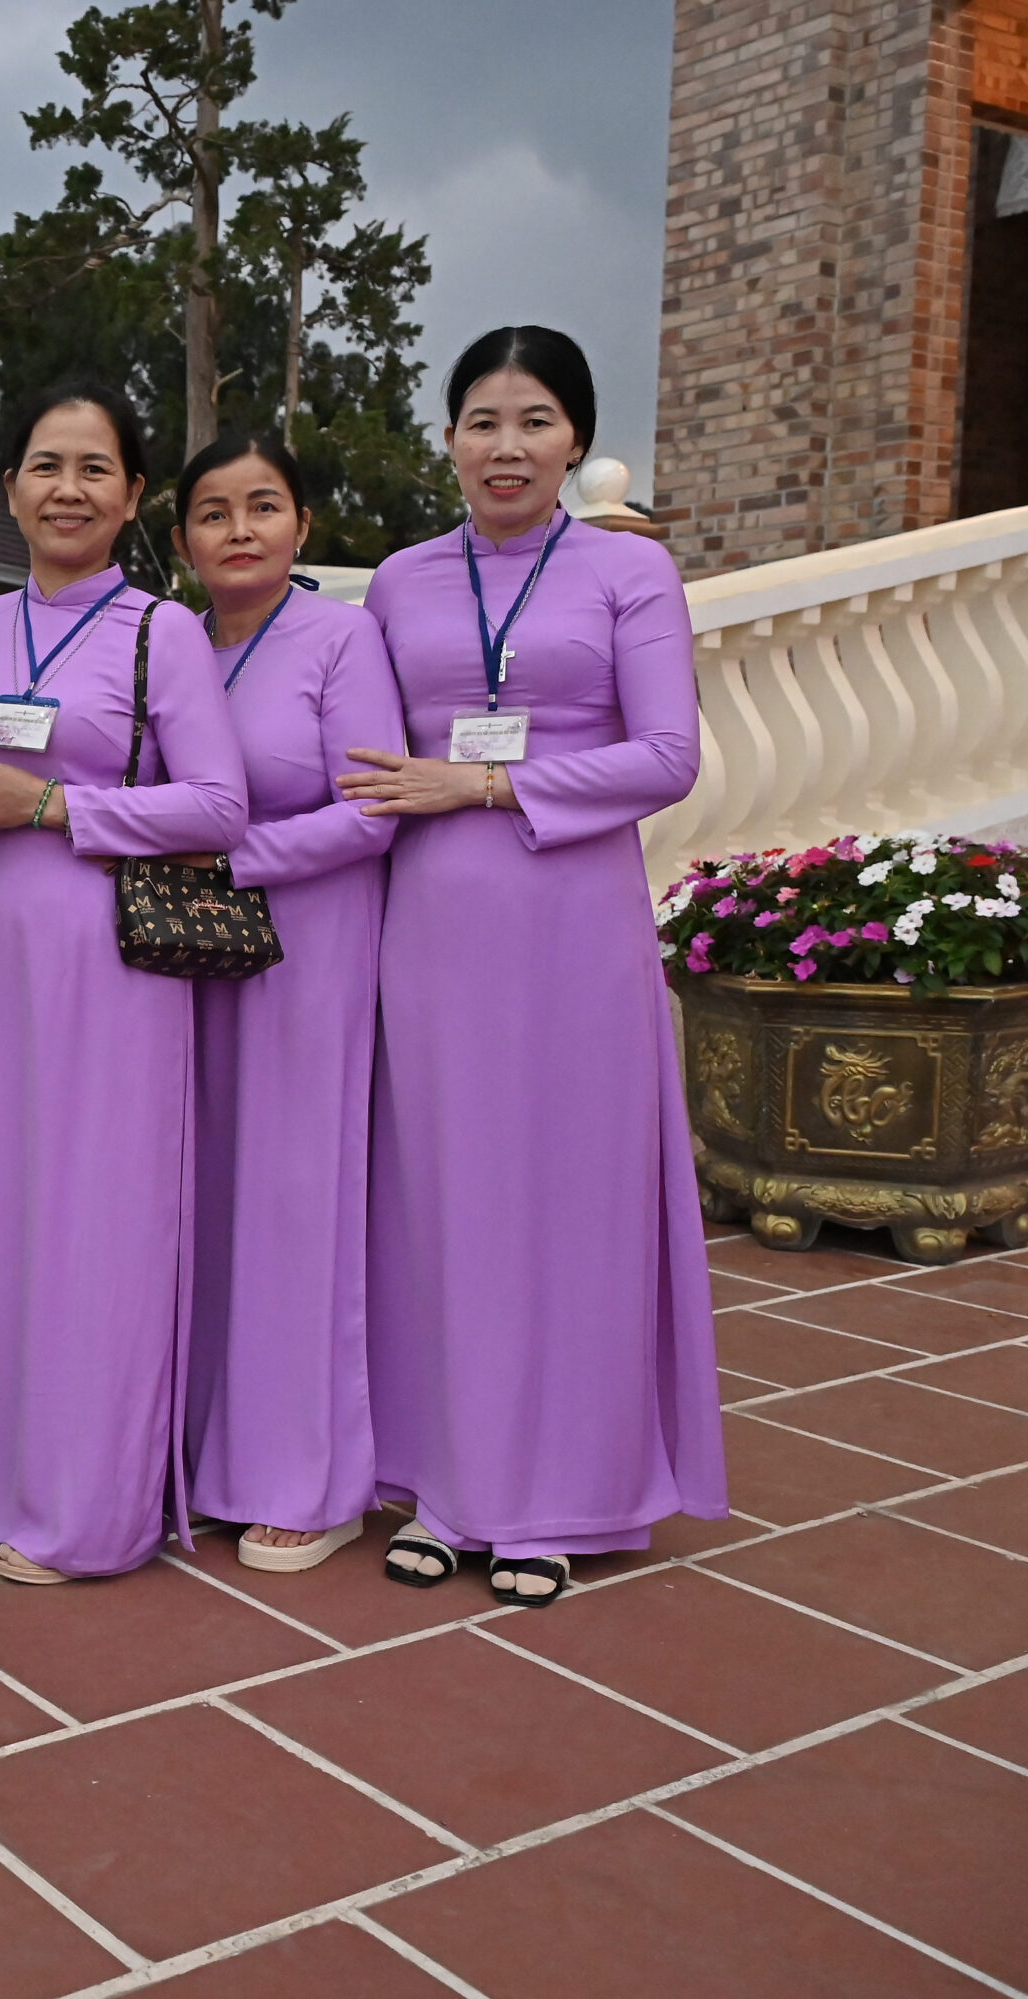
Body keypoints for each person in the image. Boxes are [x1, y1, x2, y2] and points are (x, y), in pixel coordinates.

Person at [340, 326, 726, 1608]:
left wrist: (486, 783)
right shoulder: (398, 582)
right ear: (448, 438)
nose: (506, 447)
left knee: (569, 1205)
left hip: (572, 927)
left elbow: (667, 755)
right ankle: (447, 1484)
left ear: (576, 441)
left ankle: (560, 1493)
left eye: (535, 420)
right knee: (442, 1200)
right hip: (431, 929)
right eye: (482, 421)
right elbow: (357, 752)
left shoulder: (628, 570)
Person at [0, 385, 249, 1585]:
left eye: (95, 469)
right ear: (9, 486)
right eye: (45, 465)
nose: (68, 489)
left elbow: (219, 807)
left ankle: (89, 1508)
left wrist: (57, 805)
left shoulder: (161, 630)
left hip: (113, 955)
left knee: (100, 1222)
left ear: (133, 496)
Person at [170, 432, 400, 1574]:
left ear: (303, 525)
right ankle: (205, 1451)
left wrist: (235, 858)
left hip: (308, 944)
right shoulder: (173, 644)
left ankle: (309, 1475)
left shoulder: (340, 637)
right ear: (182, 541)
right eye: (214, 512)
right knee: (205, 1195)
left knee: (297, 1200)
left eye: (263, 506)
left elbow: (373, 809)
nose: (240, 529)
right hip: (185, 958)